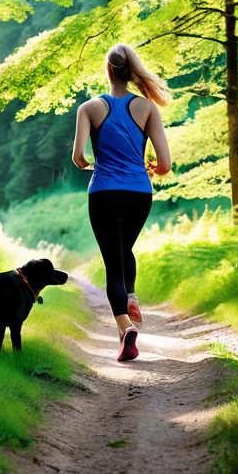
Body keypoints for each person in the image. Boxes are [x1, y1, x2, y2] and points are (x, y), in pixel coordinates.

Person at [72, 43, 171, 362]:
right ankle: (130, 295)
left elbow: (78, 157)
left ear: (108, 71)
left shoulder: (89, 108)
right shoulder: (147, 108)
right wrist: (149, 168)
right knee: (124, 250)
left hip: (103, 192)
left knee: (113, 263)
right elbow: (165, 164)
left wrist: (90, 165)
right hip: (139, 193)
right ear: (131, 72)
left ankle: (125, 328)